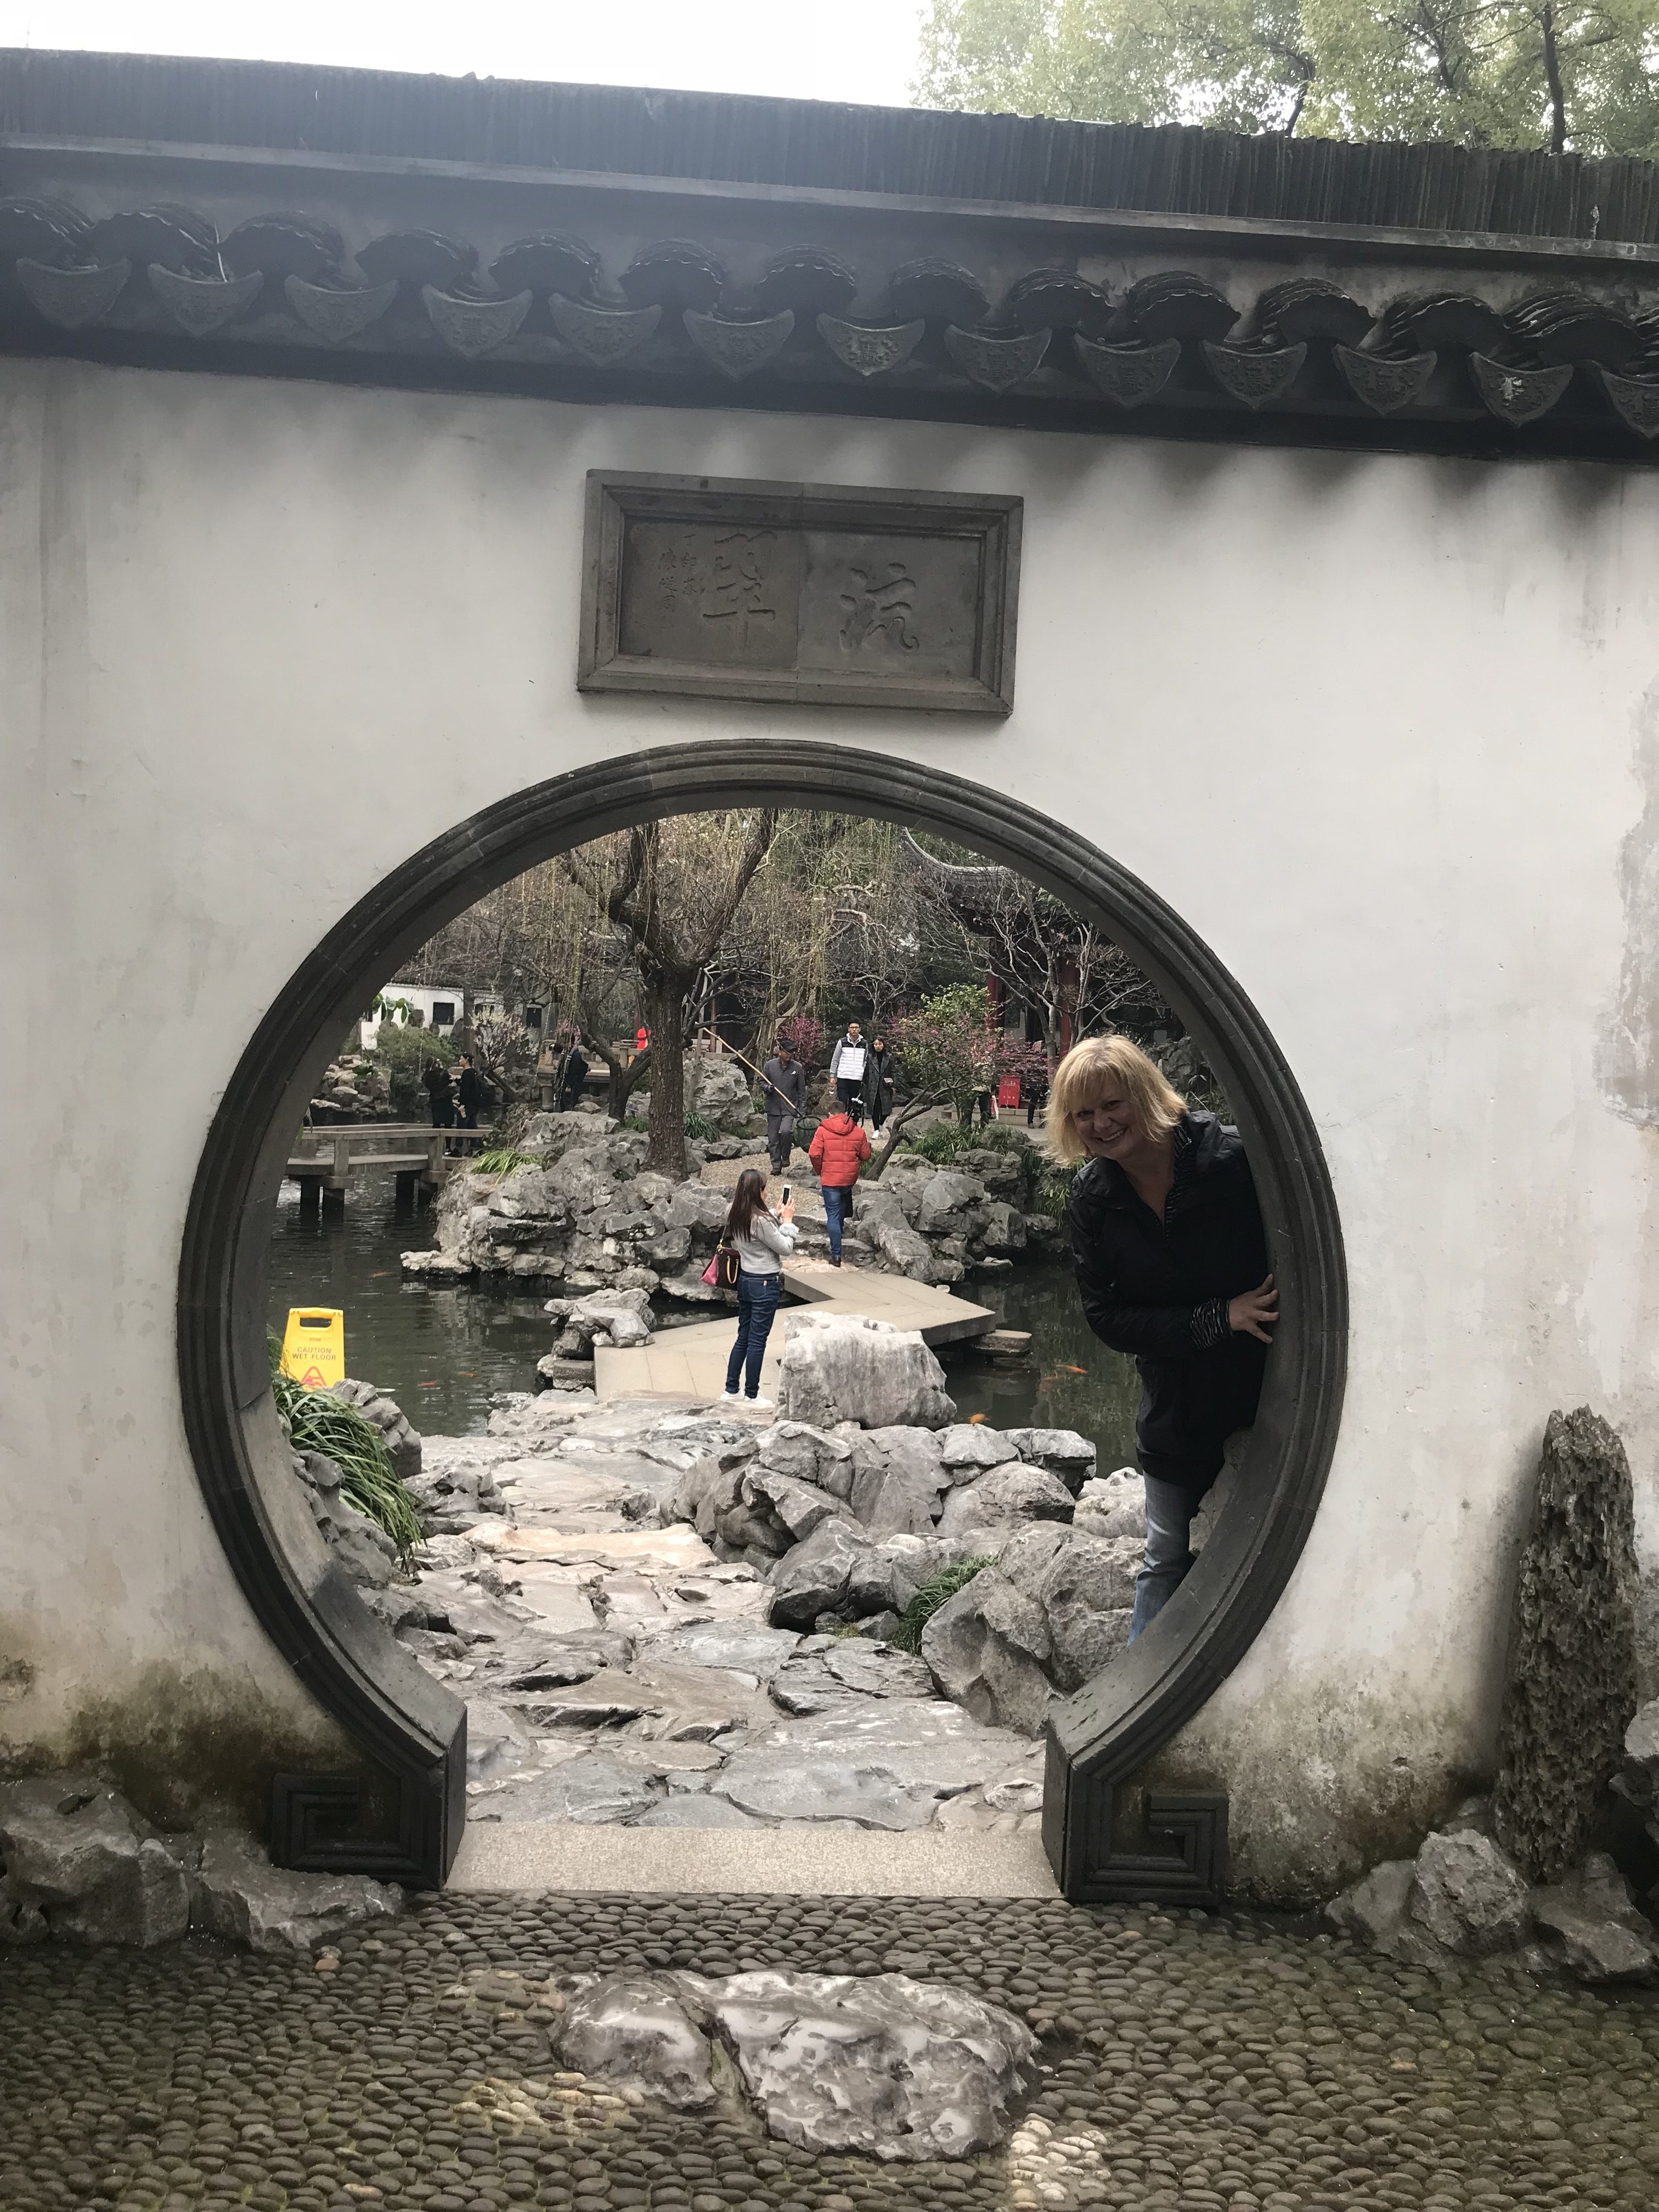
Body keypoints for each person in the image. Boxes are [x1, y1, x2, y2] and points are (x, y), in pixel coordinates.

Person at [1052, 1034, 1277, 1640]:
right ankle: (1139, 1686)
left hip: (1270, 1387)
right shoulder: (1093, 1198)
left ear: (1146, 1094)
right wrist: (1217, 1317)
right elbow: (1106, 1317)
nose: (1101, 1124)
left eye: (1113, 1104)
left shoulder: (1231, 1159)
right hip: (1176, 1400)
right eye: (1084, 1113)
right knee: (1164, 1558)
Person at [720, 1167, 797, 1408]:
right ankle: (751, 1395)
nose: (766, 1193)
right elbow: (785, 1247)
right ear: (757, 1192)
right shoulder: (761, 1221)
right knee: (757, 1341)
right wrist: (788, 1222)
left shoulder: (735, 1212)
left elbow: (758, 1228)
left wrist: (775, 1212)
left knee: (743, 1337)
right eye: (764, 1189)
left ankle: (731, 1390)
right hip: (765, 1283)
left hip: (746, 1280)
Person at [808, 1097, 872, 1267]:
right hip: (848, 1180)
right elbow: (866, 1155)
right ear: (845, 1113)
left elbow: (814, 1153)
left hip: (830, 1179)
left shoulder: (822, 1131)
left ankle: (836, 1255)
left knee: (833, 1216)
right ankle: (839, 1235)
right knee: (841, 1209)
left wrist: (820, 1169)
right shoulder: (858, 1132)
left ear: (830, 1114)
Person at [760, 1041, 807, 1175]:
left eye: (792, 1052)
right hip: (773, 1107)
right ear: (780, 1052)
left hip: (789, 1107)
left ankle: (785, 1156)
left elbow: (802, 1090)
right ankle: (776, 1166)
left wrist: (802, 1109)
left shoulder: (797, 1068)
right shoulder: (770, 1066)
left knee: (786, 1132)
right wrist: (768, 1088)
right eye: (787, 1052)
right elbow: (762, 1081)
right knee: (773, 1139)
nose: (790, 1055)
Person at [828, 1020, 867, 1112]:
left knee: (854, 1104)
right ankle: (843, 1120)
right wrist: (832, 1075)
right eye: (852, 1028)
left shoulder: (864, 1044)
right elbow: (835, 1059)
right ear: (849, 1029)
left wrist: (862, 1068)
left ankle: (853, 1120)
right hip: (843, 1077)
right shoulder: (842, 1042)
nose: (854, 1029)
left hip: (857, 1078)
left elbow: (866, 1059)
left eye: (856, 1028)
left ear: (860, 1029)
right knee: (843, 1102)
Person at [454, 1053, 485, 1154]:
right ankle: (475, 1148)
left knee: (462, 1122)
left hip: (468, 1104)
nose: (460, 1061)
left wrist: (463, 1104)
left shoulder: (467, 1073)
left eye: (461, 1059)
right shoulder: (474, 1073)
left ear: (467, 1060)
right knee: (472, 1124)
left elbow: (466, 1090)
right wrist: (457, 1080)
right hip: (476, 1103)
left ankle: (458, 1148)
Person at [865, 1034, 894, 1132]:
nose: (878, 1046)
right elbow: (866, 1071)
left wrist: (893, 1084)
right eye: (876, 1044)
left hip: (885, 1086)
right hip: (873, 1086)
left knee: (886, 1110)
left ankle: (881, 1124)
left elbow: (894, 1071)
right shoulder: (870, 1057)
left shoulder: (889, 1057)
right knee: (875, 1109)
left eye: (880, 1044)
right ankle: (876, 1130)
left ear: (883, 1045)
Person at [421, 1057, 454, 1141]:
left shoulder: (427, 1075)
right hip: (446, 1099)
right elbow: (450, 1080)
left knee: (436, 1123)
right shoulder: (444, 1073)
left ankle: (433, 1144)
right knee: (448, 1124)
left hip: (435, 1099)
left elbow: (427, 1084)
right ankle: (448, 1146)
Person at [558, 1040, 589, 1112]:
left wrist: (569, 1085)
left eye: (565, 1043)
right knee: (564, 1103)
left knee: (570, 1102)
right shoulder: (567, 1054)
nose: (564, 1045)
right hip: (566, 1082)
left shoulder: (576, 1055)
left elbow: (575, 1072)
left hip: (571, 1084)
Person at [1021, 1062, 1049, 1128]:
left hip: (1043, 1084)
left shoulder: (1047, 1060)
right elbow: (1030, 1069)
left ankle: (1043, 1121)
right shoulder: (1034, 1061)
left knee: (1043, 1103)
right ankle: (1030, 1122)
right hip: (1034, 1084)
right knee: (1033, 1103)